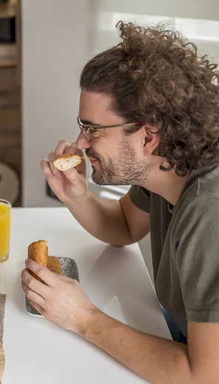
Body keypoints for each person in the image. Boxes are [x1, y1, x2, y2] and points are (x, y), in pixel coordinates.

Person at [21, 22, 219, 383]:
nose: (80, 143)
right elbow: (125, 227)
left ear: (148, 136)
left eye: (92, 128)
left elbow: (203, 375)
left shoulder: (210, 213)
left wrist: (82, 318)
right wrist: (76, 195)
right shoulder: (168, 165)